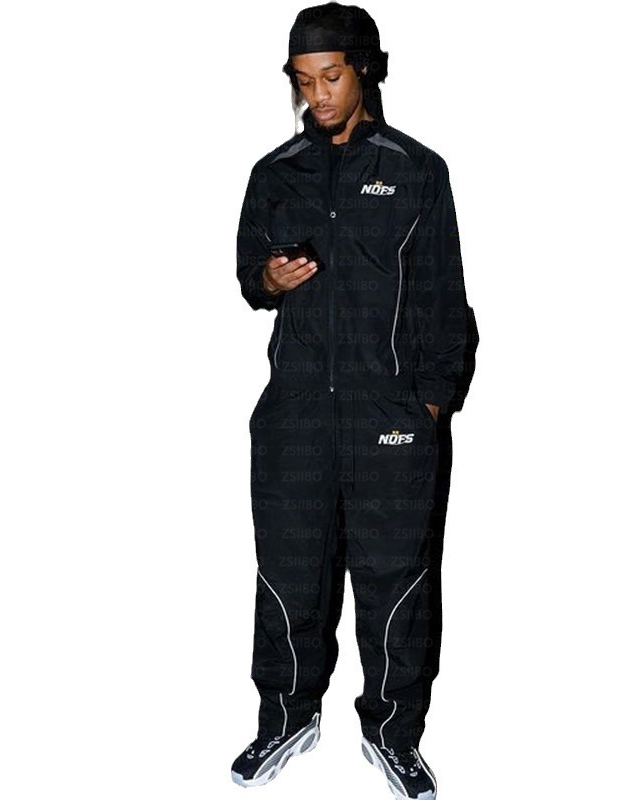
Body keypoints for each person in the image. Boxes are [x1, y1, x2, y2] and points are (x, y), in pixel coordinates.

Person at [232, 4, 477, 798]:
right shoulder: (275, 173)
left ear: (365, 69)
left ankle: (393, 733)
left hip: (389, 417)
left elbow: (445, 300)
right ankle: (286, 719)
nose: (318, 96)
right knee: (288, 575)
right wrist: (268, 278)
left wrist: (429, 405)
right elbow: (248, 275)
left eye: (331, 77)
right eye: (304, 81)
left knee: (395, 581)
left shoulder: (416, 170)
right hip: (296, 415)